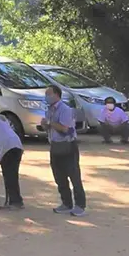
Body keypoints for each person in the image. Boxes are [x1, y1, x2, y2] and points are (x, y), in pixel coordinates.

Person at [43, 84, 86, 216]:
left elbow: (65, 128)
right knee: (59, 177)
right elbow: (49, 128)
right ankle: (66, 203)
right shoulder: (49, 109)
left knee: (74, 176)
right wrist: (45, 125)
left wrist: (50, 123)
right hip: (55, 146)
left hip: (68, 146)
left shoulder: (65, 109)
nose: (46, 96)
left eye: (49, 94)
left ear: (57, 94)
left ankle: (80, 205)